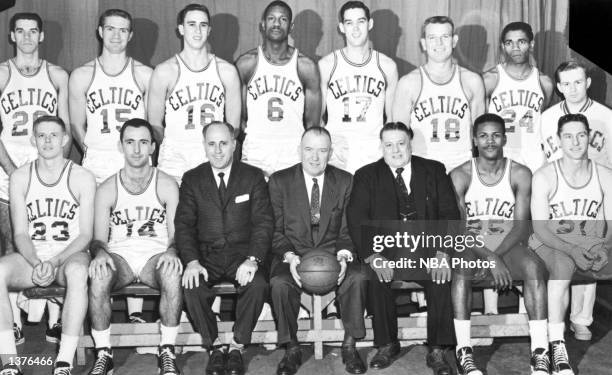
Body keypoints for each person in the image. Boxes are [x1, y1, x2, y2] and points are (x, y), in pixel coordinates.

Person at [347, 122, 458, 375]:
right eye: (389, 145)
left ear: (410, 143)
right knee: (375, 275)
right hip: (387, 251)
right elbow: (356, 219)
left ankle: (438, 348)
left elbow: (450, 214)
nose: (395, 150)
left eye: (401, 143)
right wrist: (373, 256)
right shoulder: (366, 175)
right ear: (381, 147)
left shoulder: (434, 170)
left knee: (440, 276)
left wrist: (442, 254)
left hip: (427, 250)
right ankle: (387, 343)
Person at [69, 7, 153, 329]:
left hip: (131, 164)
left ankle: (135, 308)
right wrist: (91, 149)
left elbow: (154, 123)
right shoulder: (82, 75)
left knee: (134, 232)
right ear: (100, 32)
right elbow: (76, 123)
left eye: (123, 30)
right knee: (97, 238)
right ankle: (98, 306)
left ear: (130, 35)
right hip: (96, 166)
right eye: (111, 29)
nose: (117, 35)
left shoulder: (144, 74)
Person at [449, 113, 549, 375]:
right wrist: (490, 257)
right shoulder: (459, 175)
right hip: (471, 245)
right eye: (483, 135)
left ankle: (540, 351)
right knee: (461, 267)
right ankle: (464, 350)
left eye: (495, 135)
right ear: (474, 140)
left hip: (508, 244)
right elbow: (459, 229)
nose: (490, 141)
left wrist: (497, 255)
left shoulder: (520, 173)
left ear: (504, 138)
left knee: (534, 267)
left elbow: (520, 226)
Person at [268, 127, 368, 375]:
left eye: (322, 150)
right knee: (279, 282)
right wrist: (289, 257)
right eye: (309, 150)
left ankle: (349, 345)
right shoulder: (279, 181)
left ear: (330, 152)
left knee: (358, 276)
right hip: (295, 254)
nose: (315, 157)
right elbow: (275, 230)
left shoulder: (345, 181)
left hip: (332, 253)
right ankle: (291, 347)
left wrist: (344, 256)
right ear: (299, 150)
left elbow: (347, 230)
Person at [86, 119, 182, 375]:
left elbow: (176, 236)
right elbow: (98, 239)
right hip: (121, 256)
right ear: (121, 146)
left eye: (143, 142)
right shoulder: (107, 187)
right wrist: (100, 253)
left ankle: (168, 351)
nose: (137, 149)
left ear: (152, 147)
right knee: (99, 274)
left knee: (173, 272)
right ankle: (104, 353)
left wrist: (172, 251)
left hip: (156, 255)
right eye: (130, 142)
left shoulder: (166, 184)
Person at [176, 121, 272, 375]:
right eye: (211, 144)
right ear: (204, 146)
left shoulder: (252, 176)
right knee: (191, 285)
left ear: (234, 145)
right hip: (206, 256)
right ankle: (215, 346)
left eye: (223, 143)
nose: (217, 150)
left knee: (259, 284)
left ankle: (238, 345)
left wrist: (253, 259)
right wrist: (192, 262)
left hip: (242, 256)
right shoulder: (192, 178)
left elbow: (263, 223)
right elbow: (183, 226)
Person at [0, 116, 94, 375]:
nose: (48, 140)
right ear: (33, 140)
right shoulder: (20, 176)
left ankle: (64, 360)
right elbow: (20, 234)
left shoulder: (82, 176)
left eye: (54, 135)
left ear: (65, 139)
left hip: (69, 256)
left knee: (77, 273)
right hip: (35, 257)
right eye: (42, 135)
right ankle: (9, 361)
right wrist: (36, 262)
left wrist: (54, 262)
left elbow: (85, 235)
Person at [0, 13, 71, 342]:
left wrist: (54, 174)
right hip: (7, 177)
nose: (27, 37)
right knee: (13, 248)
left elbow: (65, 129)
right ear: (12, 36)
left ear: (41, 36)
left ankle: (56, 318)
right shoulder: (2, 74)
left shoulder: (57, 75)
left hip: (49, 177)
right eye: (20, 32)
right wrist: (14, 173)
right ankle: (12, 320)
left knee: (53, 242)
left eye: (33, 32)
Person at [530, 113, 612, 375]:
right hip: (549, 241)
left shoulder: (605, 175)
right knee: (564, 266)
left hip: (588, 242)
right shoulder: (544, 175)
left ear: (590, 136)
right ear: (558, 140)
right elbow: (540, 227)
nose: (575, 142)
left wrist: (603, 246)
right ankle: (556, 345)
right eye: (568, 136)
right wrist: (574, 250)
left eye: (581, 135)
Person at [540, 61, 612, 341]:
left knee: (590, 247)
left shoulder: (605, 116)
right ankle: (554, 319)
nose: (572, 88)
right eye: (566, 83)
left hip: (593, 191)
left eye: (578, 82)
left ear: (588, 83)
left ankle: (582, 318)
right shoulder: (547, 117)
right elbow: (540, 158)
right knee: (558, 255)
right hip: (558, 191)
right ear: (558, 87)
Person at [148, 3, 241, 185]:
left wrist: (217, 149)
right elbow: (154, 123)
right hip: (174, 157)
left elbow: (233, 127)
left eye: (203, 25)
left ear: (209, 30)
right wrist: (173, 144)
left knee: (211, 212)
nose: (197, 30)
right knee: (173, 212)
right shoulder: (164, 71)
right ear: (181, 29)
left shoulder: (226, 71)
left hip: (211, 155)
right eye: (191, 24)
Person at [236, 0, 321, 177]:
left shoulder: (305, 66)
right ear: (263, 24)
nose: (276, 23)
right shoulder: (247, 63)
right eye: (271, 18)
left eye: (283, 19)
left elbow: (312, 123)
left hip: (292, 155)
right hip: (255, 154)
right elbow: (239, 117)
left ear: (291, 26)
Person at [392, 16, 485, 173]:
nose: (439, 43)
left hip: (462, 167)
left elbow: (480, 134)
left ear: (454, 41)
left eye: (445, 37)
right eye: (432, 38)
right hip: (422, 167)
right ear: (424, 44)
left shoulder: (472, 81)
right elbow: (398, 137)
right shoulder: (408, 83)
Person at [319, 0, 398, 174]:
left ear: (370, 24)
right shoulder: (327, 65)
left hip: (373, 155)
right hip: (338, 156)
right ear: (341, 27)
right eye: (349, 23)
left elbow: (391, 120)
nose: (355, 29)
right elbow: (318, 119)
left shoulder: (387, 66)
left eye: (360, 22)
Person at [483, 21, 553, 173]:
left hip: (534, 156)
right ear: (503, 46)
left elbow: (544, 119)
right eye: (509, 42)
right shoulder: (490, 79)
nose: (515, 47)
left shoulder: (544, 82)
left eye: (521, 42)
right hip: (502, 154)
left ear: (531, 44)